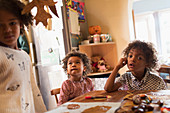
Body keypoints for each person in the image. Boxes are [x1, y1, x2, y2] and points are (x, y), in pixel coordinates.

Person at [0, 0, 47, 113]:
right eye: (0, 25)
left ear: (21, 23)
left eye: (12, 23)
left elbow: (33, 90)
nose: (7, 30)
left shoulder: (24, 56)